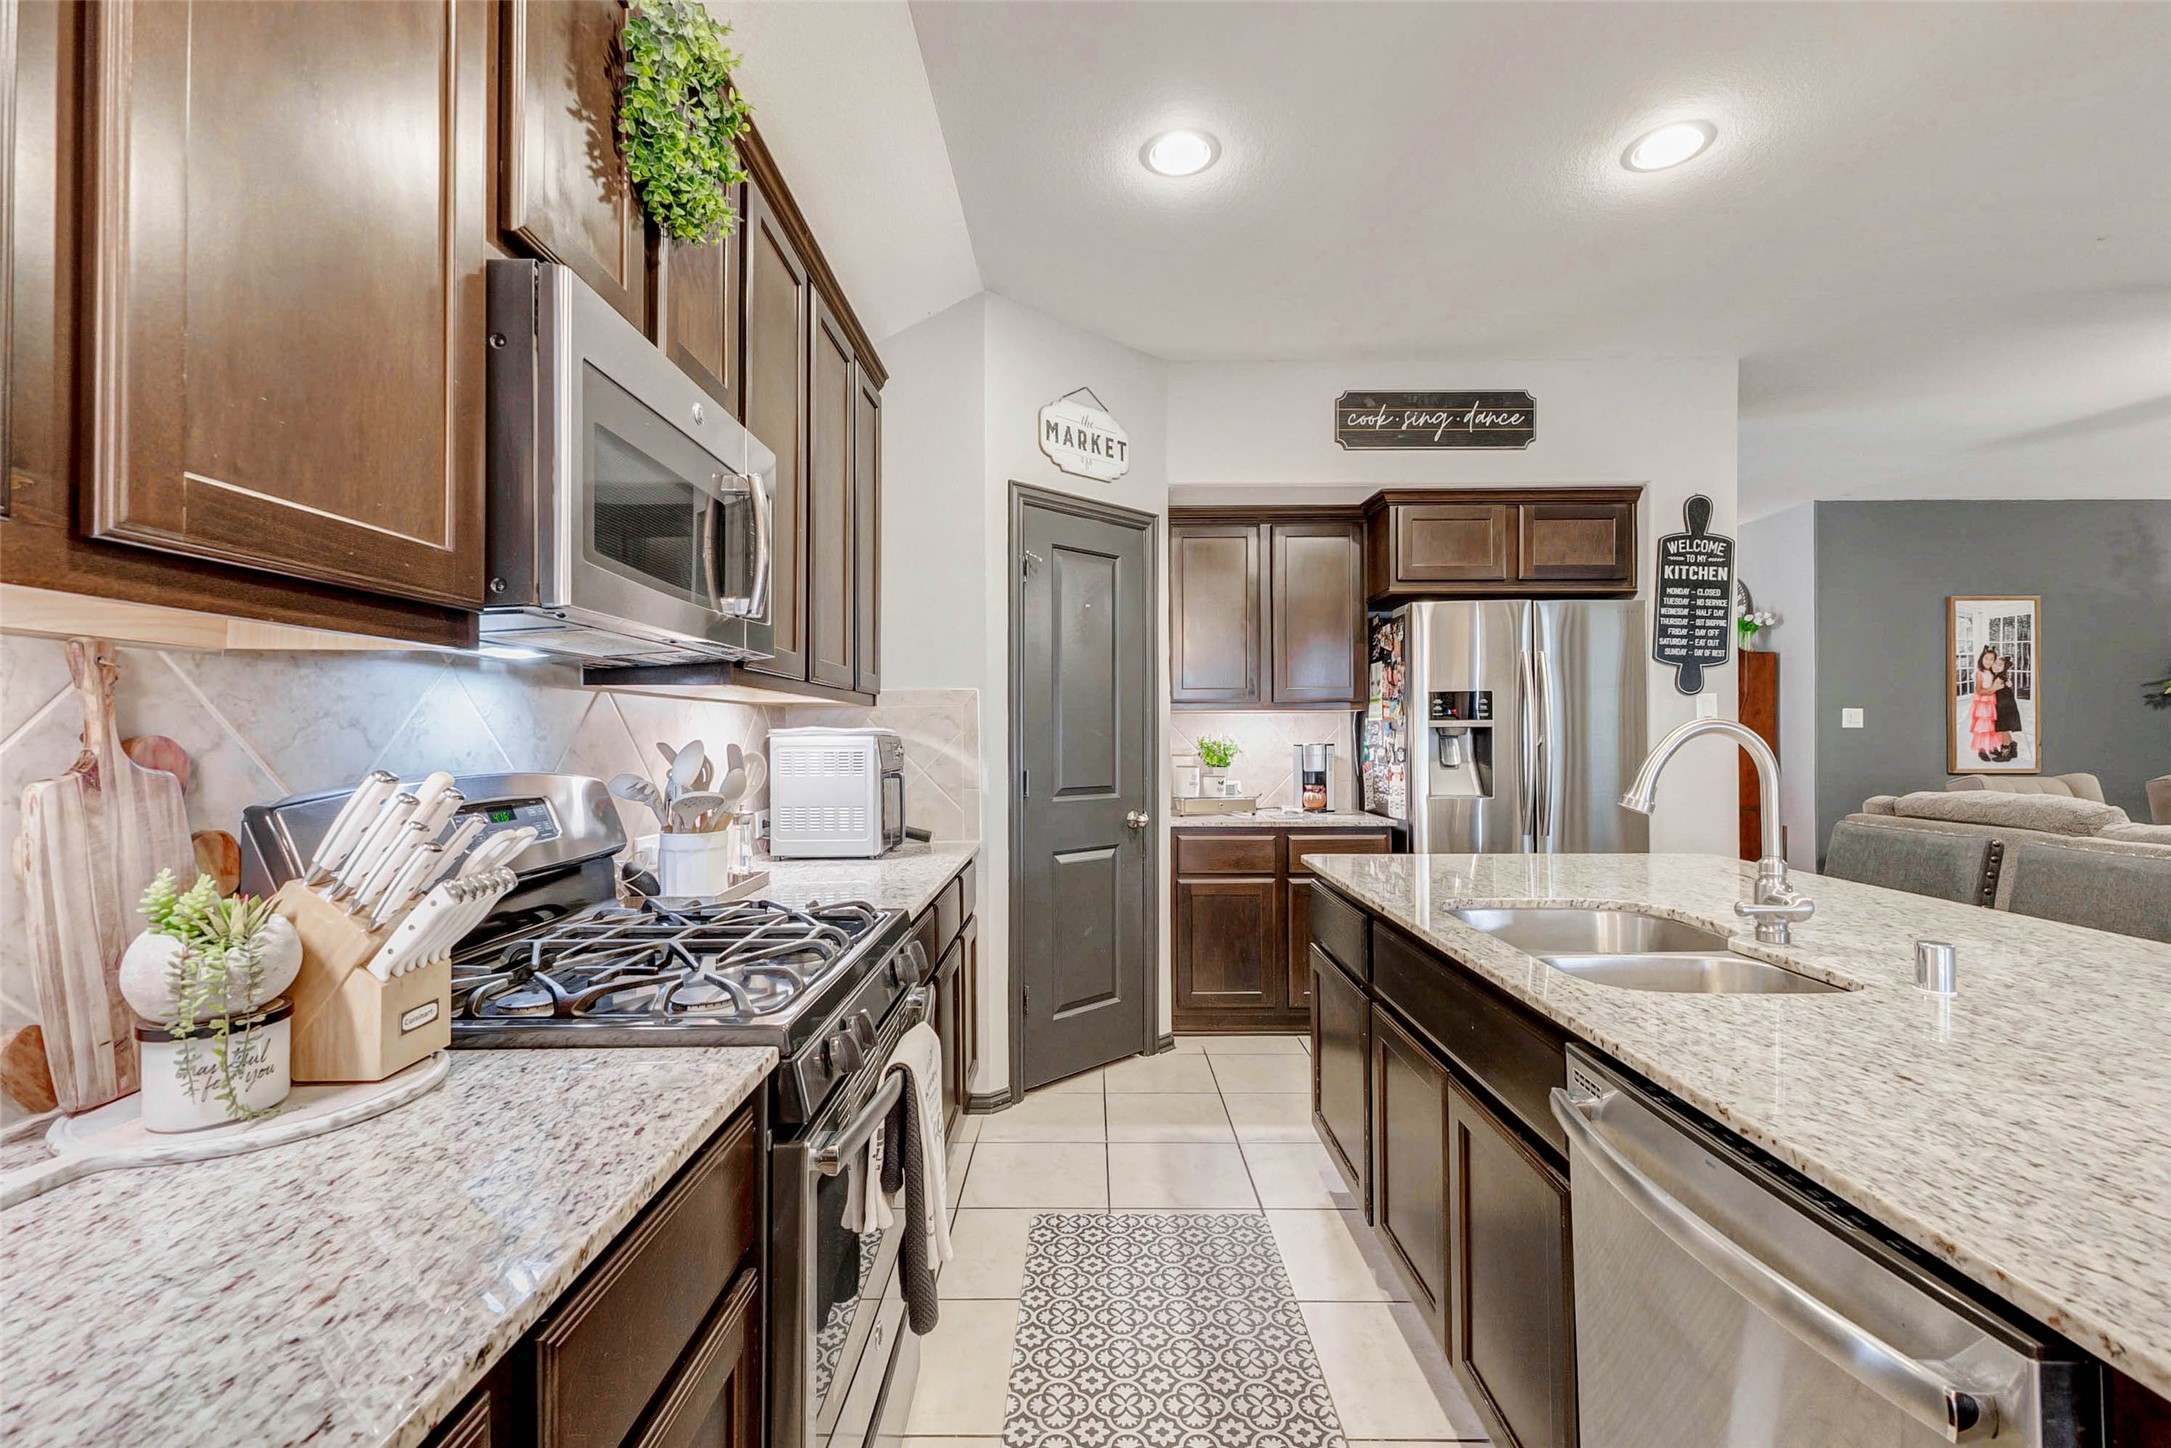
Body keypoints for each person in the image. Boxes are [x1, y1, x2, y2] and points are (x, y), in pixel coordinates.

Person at [1968, 647, 2000, 762]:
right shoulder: (1979, 673)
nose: (1988, 661)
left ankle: (1992, 747)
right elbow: (1979, 691)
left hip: (1992, 702)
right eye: (1986, 659)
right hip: (1983, 704)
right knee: (1983, 726)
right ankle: (1981, 749)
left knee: (1992, 726)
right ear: (1981, 659)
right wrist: (1993, 689)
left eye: (1992, 659)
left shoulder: (1993, 672)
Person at [1990, 651, 2023, 763]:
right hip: (2007, 706)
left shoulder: (2000, 678)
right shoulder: (2002, 676)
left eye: (1999, 665)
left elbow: (1992, 690)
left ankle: (2005, 753)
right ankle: (2012, 749)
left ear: (2004, 668)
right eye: (1995, 663)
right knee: (2005, 730)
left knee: (2004, 730)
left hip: (2004, 707)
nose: (1995, 666)